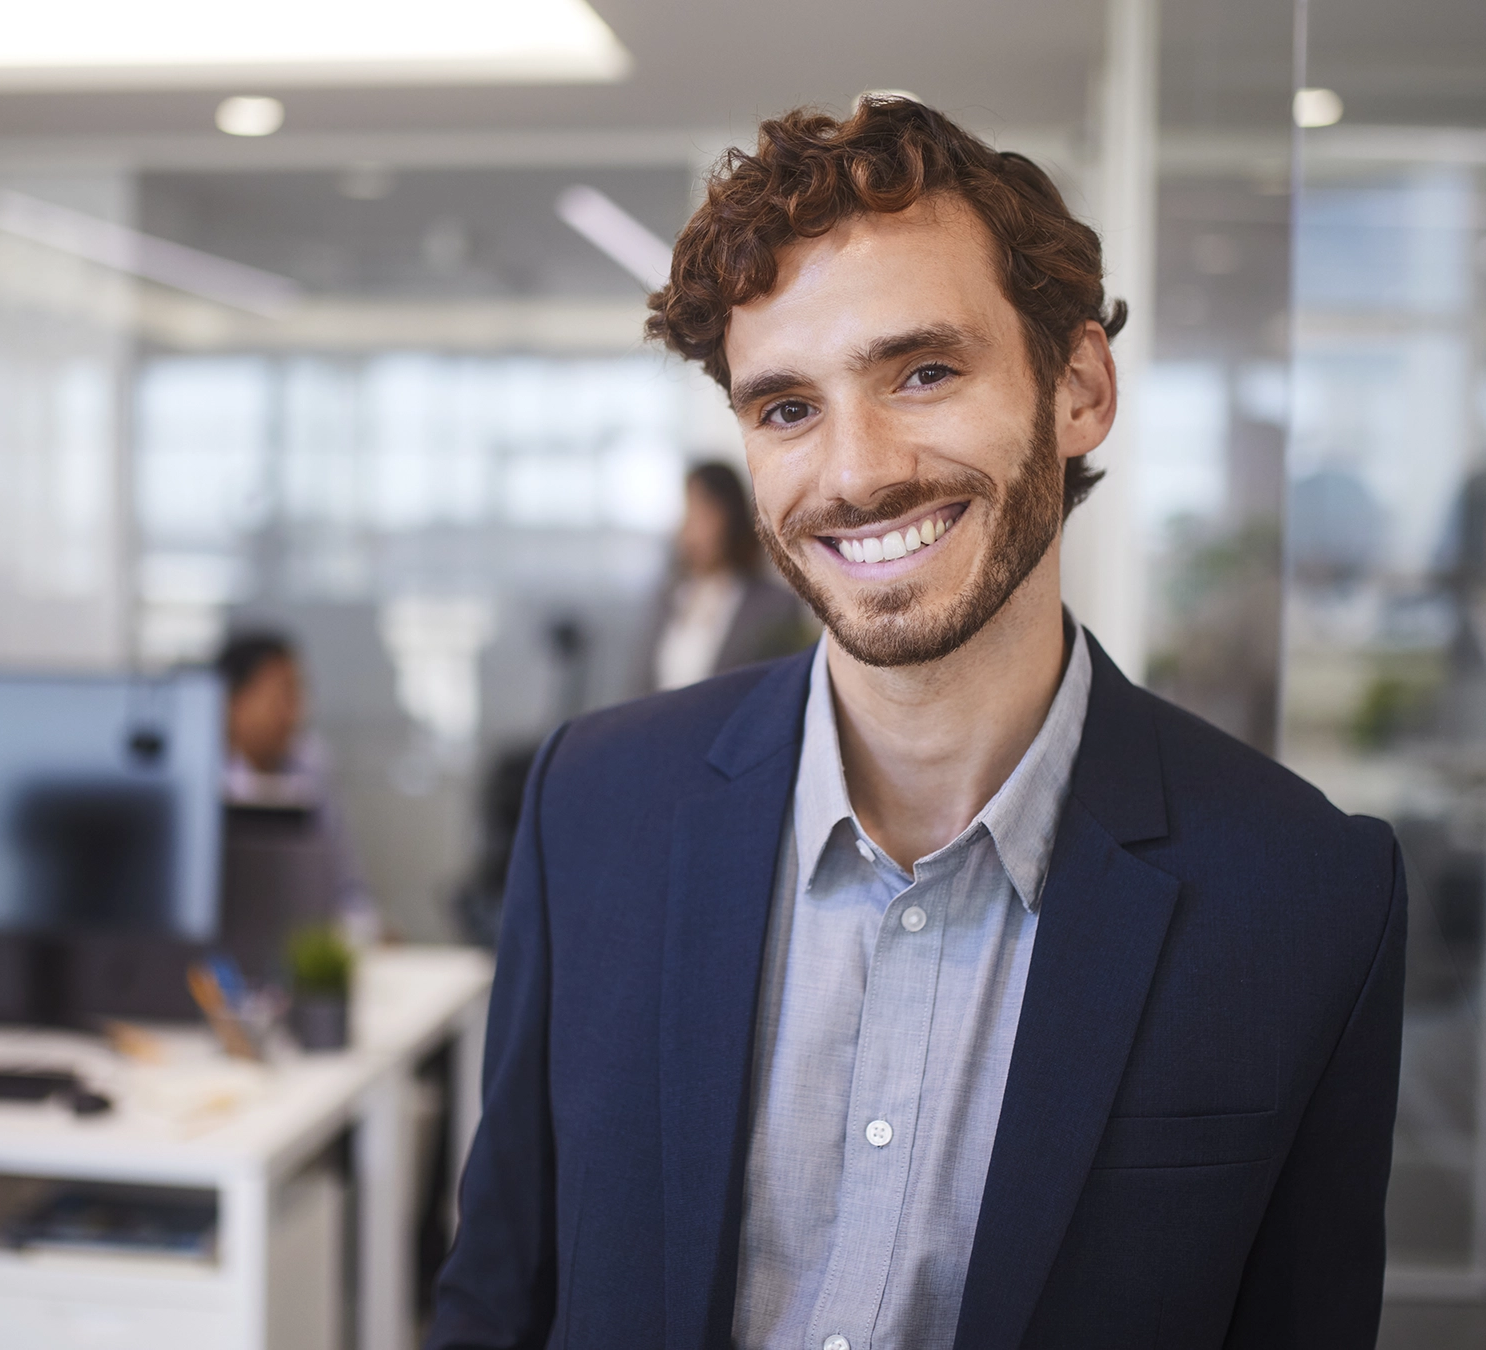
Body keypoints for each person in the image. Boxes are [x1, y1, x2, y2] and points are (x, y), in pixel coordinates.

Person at [427, 99, 1404, 1350]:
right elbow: (496, 1300)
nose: (855, 473)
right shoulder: (595, 808)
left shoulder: (1302, 895)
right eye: (786, 408)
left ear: (1078, 389)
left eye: (923, 373)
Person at [215, 631, 382, 955]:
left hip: (309, 951)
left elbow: (346, 881)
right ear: (232, 702)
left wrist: (367, 932)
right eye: (280, 696)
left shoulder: (311, 765)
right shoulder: (197, 777)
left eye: (297, 695)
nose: (293, 713)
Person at [646, 460, 813, 691]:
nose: (690, 527)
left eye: (703, 514)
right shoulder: (668, 597)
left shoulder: (774, 606)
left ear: (730, 518)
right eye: (688, 512)